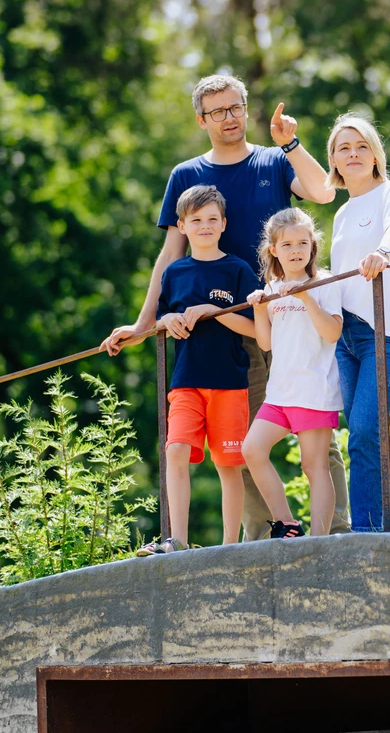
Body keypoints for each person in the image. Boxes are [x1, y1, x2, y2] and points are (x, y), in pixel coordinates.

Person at [101, 73, 351, 539]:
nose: (228, 117)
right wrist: (143, 324)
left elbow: (323, 192)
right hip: (229, 327)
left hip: (293, 317)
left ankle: (335, 532)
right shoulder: (186, 175)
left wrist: (291, 142)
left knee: (316, 430)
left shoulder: (274, 159)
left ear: (246, 108)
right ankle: (263, 538)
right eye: (216, 111)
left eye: (235, 107)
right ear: (201, 120)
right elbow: (170, 254)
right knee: (244, 440)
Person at [132, 185, 260, 554]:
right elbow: (160, 320)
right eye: (196, 220)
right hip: (186, 381)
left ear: (224, 224)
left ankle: (229, 546)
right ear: (182, 226)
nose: (205, 226)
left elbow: (256, 330)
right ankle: (177, 541)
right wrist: (168, 320)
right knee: (175, 450)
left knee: (228, 464)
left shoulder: (238, 270)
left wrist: (213, 312)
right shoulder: (175, 272)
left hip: (229, 383)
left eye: (212, 219)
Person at [327, 114, 390, 532]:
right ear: (333, 160)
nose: (353, 154)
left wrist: (382, 253)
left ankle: (365, 535)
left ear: (375, 154)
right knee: (370, 439)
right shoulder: (341, 214)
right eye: (344, 148)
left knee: (365, 432)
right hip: (346, 339)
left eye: (361, 146)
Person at [241, 208, 343, 537]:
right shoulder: (272, 286)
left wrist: (306, 297)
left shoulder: (325, 281)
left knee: (314, 466)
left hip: (313, 390)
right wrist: (260, 309)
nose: (296, 250)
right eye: (287, 245)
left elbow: (332, 333)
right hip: (280, 393)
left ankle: (319, 540)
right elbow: (266, 343)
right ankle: (287, 524)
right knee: (252, 450)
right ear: (274, 250)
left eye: (302, 243)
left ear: (313, 245)